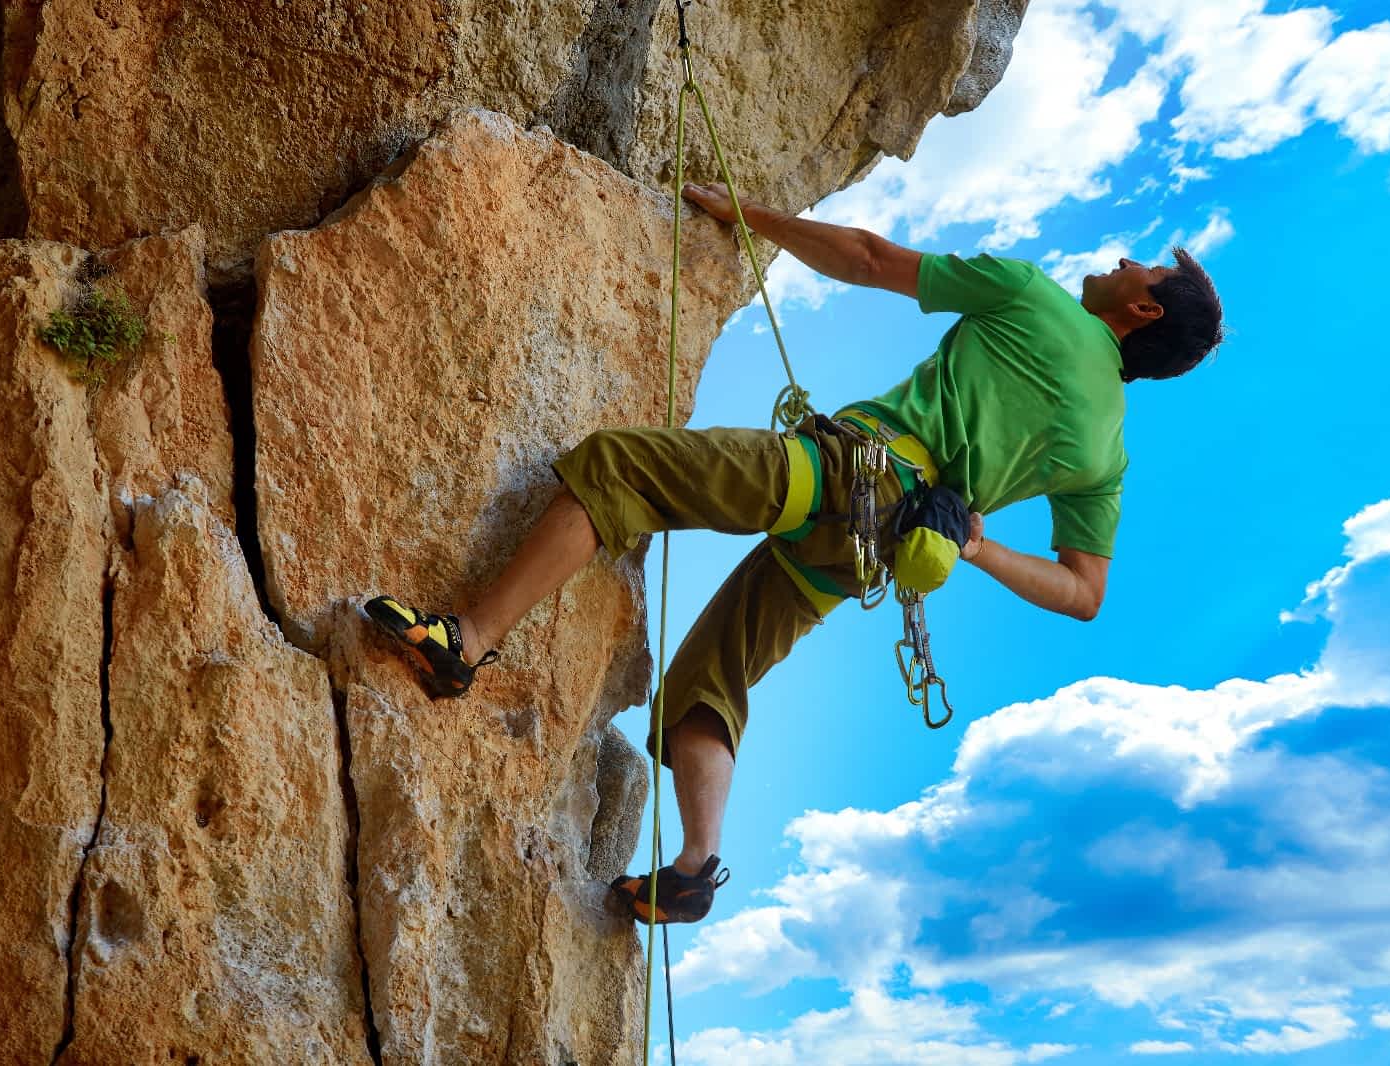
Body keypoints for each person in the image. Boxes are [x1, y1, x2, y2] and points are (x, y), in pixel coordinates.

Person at [364, 180, 1224, 925]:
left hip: (839, 474)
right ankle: (695, 869)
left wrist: (749, 216)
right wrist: (977, 548)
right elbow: (1084, 593)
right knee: (713, 681)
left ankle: (465, 643)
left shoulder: (1035, 297)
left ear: (1142, 310)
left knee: (618, 467)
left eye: (1140, 268)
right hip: (876, 553)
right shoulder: (1107, 452)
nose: (1121, 260)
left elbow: (866, 255)